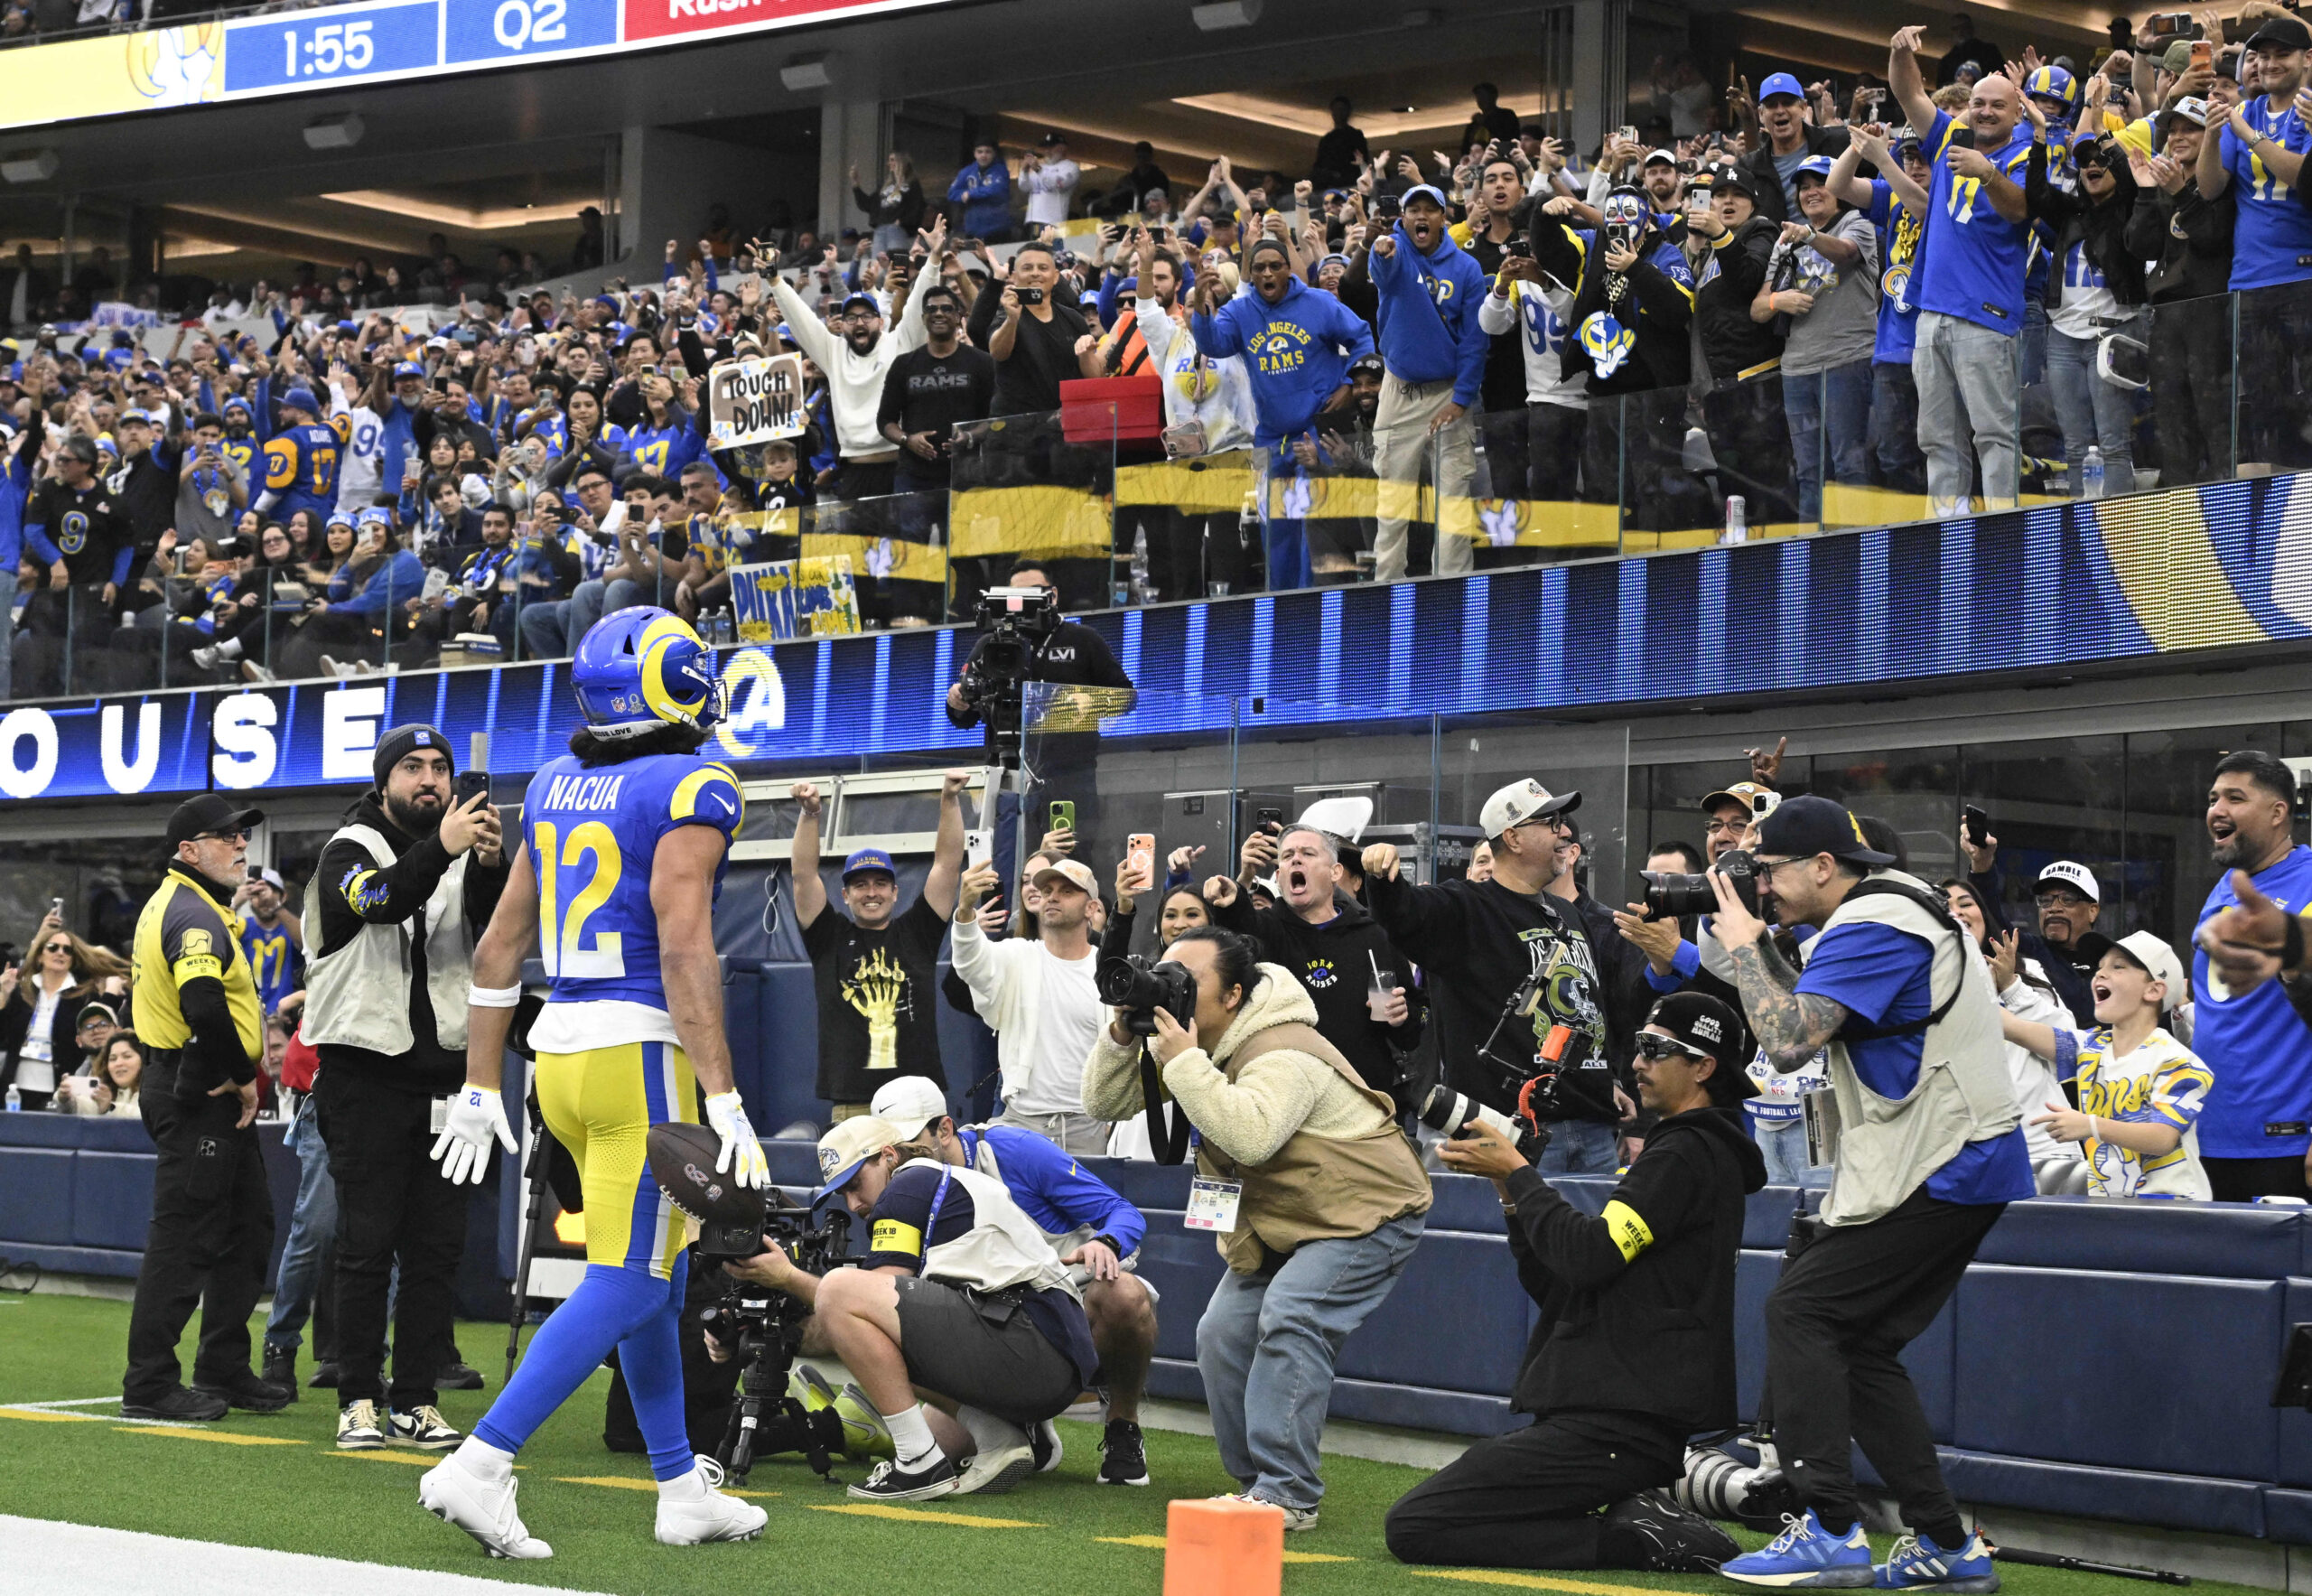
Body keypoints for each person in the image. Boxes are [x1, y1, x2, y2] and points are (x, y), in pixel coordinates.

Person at [421, 607, 768, 1558]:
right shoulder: (695, 782)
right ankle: (481, 1462)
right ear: (678, 682)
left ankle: (678, 1485)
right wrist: (724, 1095)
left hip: (560, 1060)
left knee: (656, 1279)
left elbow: (498, 947)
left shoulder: (559, 781)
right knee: (628, 1276)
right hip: (641, 1058)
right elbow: (687, 945)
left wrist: (482, 1084)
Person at [1711, 796, 2025, 1591]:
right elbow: (1810, 1009)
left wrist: (1745, 948)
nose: (1763, 888)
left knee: (1802, 1311)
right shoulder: (1888, 914)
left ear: (1823, 866)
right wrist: (1737, 952)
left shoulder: (1875, 921)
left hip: (1946, 1159)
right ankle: (1947, 1546)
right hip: (1958, 1159)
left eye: (1770, 871)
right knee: (1860, 1343)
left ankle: (1831, 1527)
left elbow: (1786, 1040)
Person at [1384, 991, 1762, 1573]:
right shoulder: (1683, 1152)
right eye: (1636, 1046)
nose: (1635, 1062)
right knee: (1442, 1516)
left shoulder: (1688, 1153)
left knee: (1417, 1525)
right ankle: (1641, 1518)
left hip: (1620, 1423)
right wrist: (1512, 1195)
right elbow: (1561, 1283)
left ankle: (1640, 1539)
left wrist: (1519, 1171)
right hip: (1607, 1417)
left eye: (1655, 1049)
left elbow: (1587, 1256)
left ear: (1704, 1067)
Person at [1080, 928, 1431, 1529]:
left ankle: (1288, 1491)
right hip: (1295, 1218)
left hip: (1370, 1211)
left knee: (1293, 1314)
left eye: (1187, 983)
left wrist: (1184, 1060)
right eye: (1165, 977)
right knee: (1221, 1332)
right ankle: (1259, 1486)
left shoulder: (1282, 1051)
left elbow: (1249, 1134)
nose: (1172, 991)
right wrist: (1121, 1031)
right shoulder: (1201, 1044)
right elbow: (1102, 1103)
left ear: (1234, 994)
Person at [305, 724, 509, 1453]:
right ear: (384, 779)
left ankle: (416, 1398)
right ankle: (358, 1392)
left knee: (436, 1247)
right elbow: (382, 902)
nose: (430, 779)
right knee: (366, 1242)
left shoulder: (457, 854)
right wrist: (451, 848)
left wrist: (491, 863)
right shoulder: (346, 851)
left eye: (441, 767)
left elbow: (495, 941)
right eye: (414, 767)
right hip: (365, 1075)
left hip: (447, 1078)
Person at [728, 1114, 1098, 1501]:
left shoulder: (907, 1185)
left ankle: (918, 1463)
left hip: (1028, 1341)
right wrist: (759, 1326)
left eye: (856, 1184)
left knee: (840, 1289)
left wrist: (788, 1279)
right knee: (929, 1425)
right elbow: (869, 1326)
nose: (853, 1204)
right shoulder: (937, 1183)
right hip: (1048, 1354)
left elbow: (855, 1302)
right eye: (843, 1194)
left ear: (889, 1156)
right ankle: (1005, 1437)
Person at [869, 1073, 1156, 1486]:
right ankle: (1024, 1428)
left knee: (1125, 1294)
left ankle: (1122, 1427)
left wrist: (1107, 1244)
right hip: (993, 1326)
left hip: (1069, 1307)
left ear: (944, 1129)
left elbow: (1124, 1212)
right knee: (940, 1449)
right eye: (891, 1149)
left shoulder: (1015, 1150)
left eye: (910, 1141)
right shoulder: (904, 1192)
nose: (901, 1156)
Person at [120, 793, 283, 1422]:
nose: (241, 845)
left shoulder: (194, 903)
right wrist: (243, 1075)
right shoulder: (192, 913)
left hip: (199, 1084)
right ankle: (150, 1382)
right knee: (184, 1237)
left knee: (248, 1225)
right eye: (226, 836)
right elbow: (205, 1007)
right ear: (189, 850)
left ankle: (222, 1363)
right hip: (202, 1091)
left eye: (241, 835)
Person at [1363, 779, 1622, 1172]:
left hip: (1595, 1131)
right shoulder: (1464, 908)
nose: (1566, 831)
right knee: (1518, 1235)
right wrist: (1382, 878)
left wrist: (1609, 1079)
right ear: (1514, 838)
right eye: (1552, 822)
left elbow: (1592, 1010)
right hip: (1514, 1138)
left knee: (1595, 1237)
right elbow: (1404, 913)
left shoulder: (1569, 914)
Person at [1888, 24, 2037, 514]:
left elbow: (2020, 210)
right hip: (1932, 314)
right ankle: (1947, 532)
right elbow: (1908, 92)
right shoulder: (1949, 136)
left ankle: (2001, 528)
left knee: (1994, 434)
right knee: (1936, 438)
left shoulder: (2027, 155)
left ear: (2017, 111)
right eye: (1978, 103)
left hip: (1988, 317)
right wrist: (1900, 52)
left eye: (1997, 104)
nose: (1985, 111)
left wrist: (1988, 172)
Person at [1188, 237, 1376, 592]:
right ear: (1252, 274)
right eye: (1259, 268)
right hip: (1271, 435)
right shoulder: (1240, 311)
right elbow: (1213, 344)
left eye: (1276, 265)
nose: (1268, 273)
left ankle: (1312, 601)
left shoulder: (1318, 303)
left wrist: (1351, 385)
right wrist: (1201, 305)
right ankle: (1282, 606)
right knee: (1274, 528)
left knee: (1312, 524)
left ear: (1289, 269)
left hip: (1315, 429)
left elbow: (1362, 338)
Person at [1210, 821, 1424, 1100]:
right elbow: (1232, 923)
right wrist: (1242, 879)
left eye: (1308, 854)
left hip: (1362, 1105)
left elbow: (1414, 1029)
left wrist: (1402, 1016)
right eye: (1287, 856)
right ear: (1279, 875)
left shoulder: (1374, 934)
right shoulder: (1263, 932)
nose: (1296, 858)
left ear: (1335, 872)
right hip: (1283, 1104)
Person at [794, 770, 967, 1115]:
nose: (871, 892)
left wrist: (949, 800)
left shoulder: (918, 932)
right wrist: (810, 814)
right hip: (853, 1103)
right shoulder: (828, 936)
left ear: (894, 891)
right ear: (845, 895)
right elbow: (803, 875)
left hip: (918, 1103)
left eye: (880, 883)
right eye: (860, 885)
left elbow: (948, 865)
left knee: (922, 1173)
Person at [2001, 931, 2213, 1199]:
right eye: (2099, 968)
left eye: (2118, 967)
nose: (2100, 974)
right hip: (2110, 1211)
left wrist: (2090, 1126)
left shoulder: (2178, 1061)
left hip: (2173, 1215)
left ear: (2154, 990)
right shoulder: (2089, 1048)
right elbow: (2011, 1026)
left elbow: (2163, 1138)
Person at [2188, 751, 2312, 1199]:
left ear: (2279, 812)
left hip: (2285, 1142)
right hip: (2207, 1137)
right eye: (2213, 797)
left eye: (2235, 798)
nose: (2216, 810)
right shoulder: (2229, 885)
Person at [2196, 14, 2312, 474]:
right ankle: (2264, 526)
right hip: (2249, 281)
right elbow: (2209, 188)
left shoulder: (2304, 111)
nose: (2269, 64)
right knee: (2260, 412)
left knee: (2303, 410)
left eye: (2281, 54)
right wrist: (2212, 134)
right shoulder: (2244, 113)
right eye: (2262, 56)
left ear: (2307, 59)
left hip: (2303, 277)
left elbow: (2305, 179)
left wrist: (2250, 138)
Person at [1367, 184, 1488, 582]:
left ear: (1443, 218)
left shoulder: (1467, 268)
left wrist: (1463, 397)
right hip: (1399, 390)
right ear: (1404, 219)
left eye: (1430, 210)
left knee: (1453, 500)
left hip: (1449, 393)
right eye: (1413, 210)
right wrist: (1380, 251)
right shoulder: (1395, 250)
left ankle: (1452, 590)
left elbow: (1475, 339)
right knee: (1392, 500)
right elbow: (1381, 272)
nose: (1421, 217)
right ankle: (1386, 588)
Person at [950, 855, 1109, 1154]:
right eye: (1047, 890)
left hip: (1090, 1128)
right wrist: (965, 910)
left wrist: (1115, 1118)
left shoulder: (1108, 970)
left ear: (1092, 908)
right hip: (1022, 1124)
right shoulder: (1017, 955)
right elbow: (971, 965)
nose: (1052, 897)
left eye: (1067, 891)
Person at [1962, 824, 2108, 1023]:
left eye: (2067, 899)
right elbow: (1992, 920)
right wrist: (1983, 864)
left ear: (2093, 911)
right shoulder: (2029, 952)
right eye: (2045, 901)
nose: (2053, 908)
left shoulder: (2115, 961)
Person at [1, 915, 123, 1110]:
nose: (61, 953)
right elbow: (3, 1037)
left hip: (62, 1091)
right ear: (40, 955)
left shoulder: (83, 995)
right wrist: (3, 997)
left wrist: (110, 995)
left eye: (68, 950)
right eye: (53, 948)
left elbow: (99, 1036)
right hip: (14, 1091)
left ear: (73, 959)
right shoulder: (21, 991)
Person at [234, 865, 303, 1015]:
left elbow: (305, 942)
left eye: (269, 891)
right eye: (256, 894)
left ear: (283, 896)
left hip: (284, 1017)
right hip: (247, 1015)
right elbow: (212, 933)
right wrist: (235, 902)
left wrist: (276, 907)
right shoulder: (242, 926)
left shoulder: (289, 928)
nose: (263, 899)